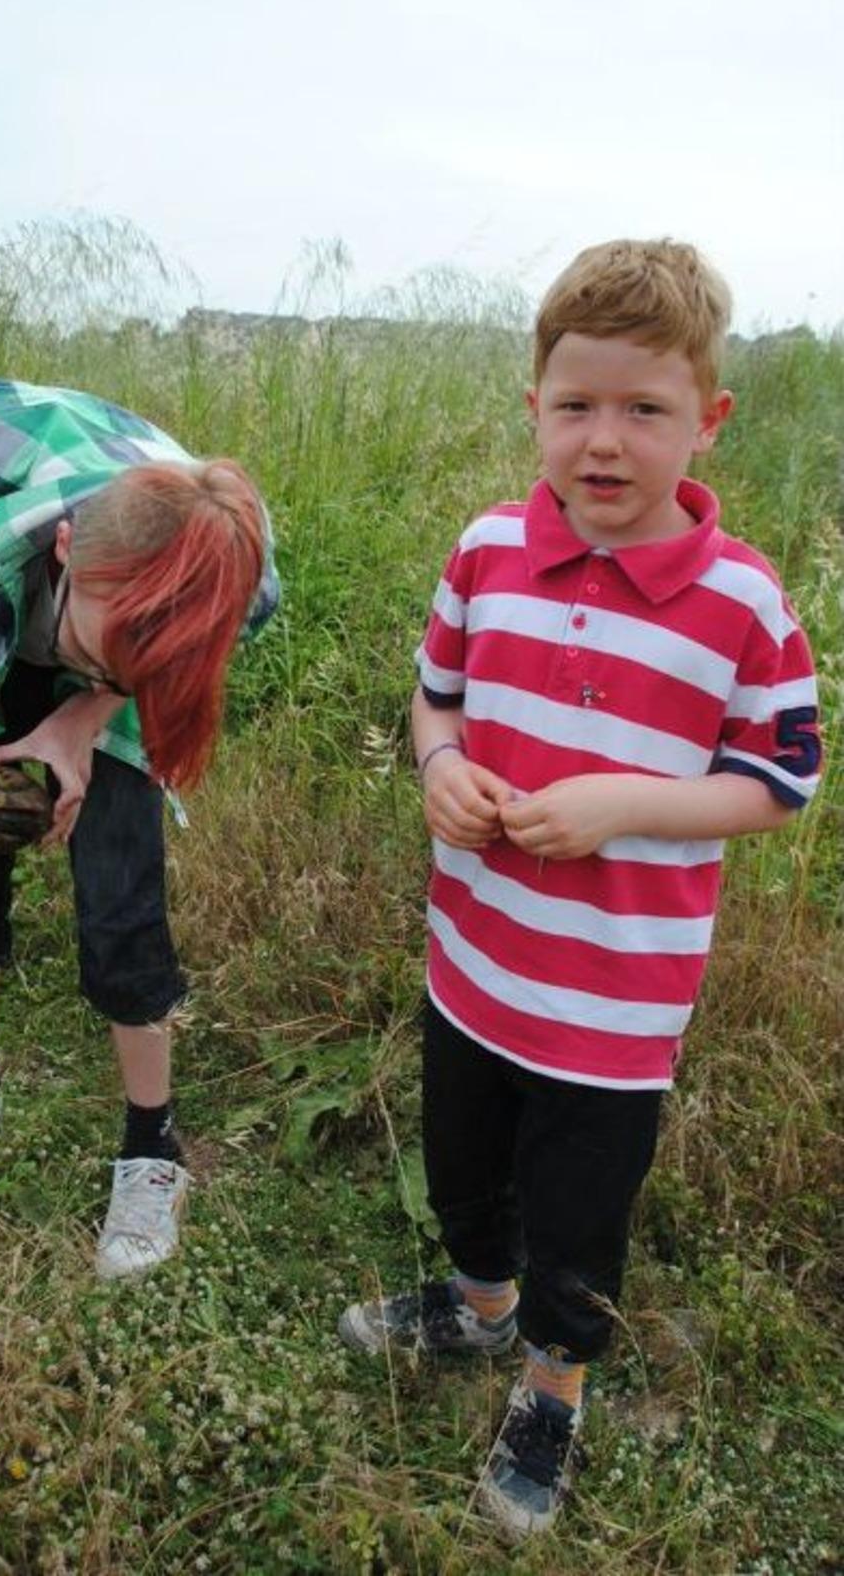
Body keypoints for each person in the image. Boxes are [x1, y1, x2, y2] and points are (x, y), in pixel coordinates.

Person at [337, 241, 822, 1538]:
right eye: (576, 405)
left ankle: (553, 1384)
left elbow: (781, 779)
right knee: (463, 1172)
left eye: (645, 409)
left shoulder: (742, 602)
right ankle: (477, 1305)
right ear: (534, 408)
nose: (604, 440)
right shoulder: (487, 550)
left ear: (708, 420)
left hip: (612, 1006)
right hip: (473, 962)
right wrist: (439, 765)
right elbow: (436, 698)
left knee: (576, 1217)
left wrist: (625, 804)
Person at [0, 378, 279, 1281]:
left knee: (121, 896)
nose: (119, 665)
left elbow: (151, 654)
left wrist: (87, 712)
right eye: (113, 645)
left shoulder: (233, 573)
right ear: (63, 548)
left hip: (121, 643)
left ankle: (152, 1147)